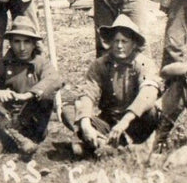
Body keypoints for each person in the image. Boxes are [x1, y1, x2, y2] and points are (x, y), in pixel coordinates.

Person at [62, 15, 162, 156]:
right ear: (110, 43)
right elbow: (88, 94)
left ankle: (108, 146)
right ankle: (103, 142)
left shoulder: (143, 63)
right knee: (68, 108)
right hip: (110, 122)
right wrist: (85, 124)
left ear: (134, 44)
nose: (119, 46)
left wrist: (125, 121)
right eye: (115, 41)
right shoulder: (100, 65)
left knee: (151, 109)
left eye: (124, 41)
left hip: (137, 122)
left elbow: (148, 93)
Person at [0, 17, 63, 157]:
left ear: (34, 44)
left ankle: (7, 142)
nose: (22, 48)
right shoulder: (1, 64)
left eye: (27, 42)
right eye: (17, 42)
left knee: (46, 97)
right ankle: (16, 141)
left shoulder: (42, 64)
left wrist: (28, 94)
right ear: (10, 43)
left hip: (32, 123)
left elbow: (54, 80)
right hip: (5, 119)